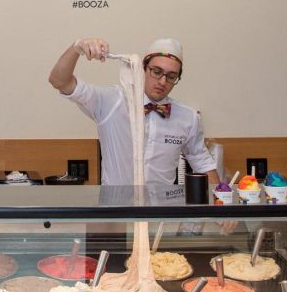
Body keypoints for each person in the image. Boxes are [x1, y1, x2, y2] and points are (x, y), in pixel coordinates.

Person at [49, 37, 220, 186]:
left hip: (162, 209)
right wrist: (76, 48)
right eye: (157, 72)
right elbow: (59, 81)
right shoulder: (111, 101)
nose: (162, 81)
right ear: (143, 68)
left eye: (171, 76)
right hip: (116, 207)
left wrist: (221, 200)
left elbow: (202, 163)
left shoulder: (187, 118)